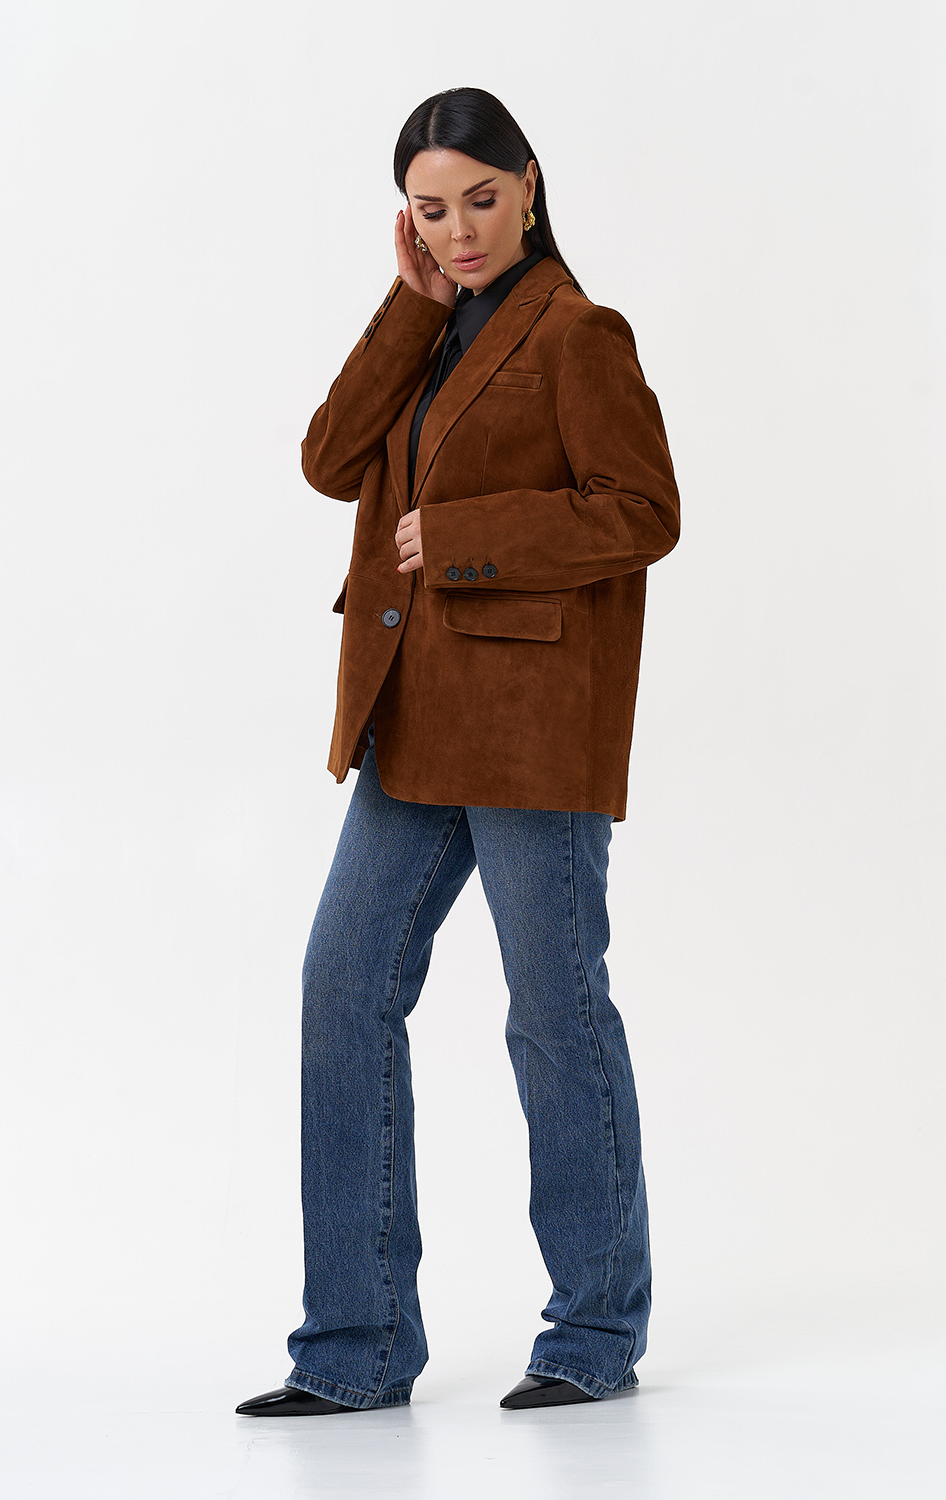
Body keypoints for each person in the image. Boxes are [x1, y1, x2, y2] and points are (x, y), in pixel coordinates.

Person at [236, 86, 681, 1417]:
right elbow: (330, 460)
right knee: (342, 988)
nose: (461, 230)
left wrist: (470, 537)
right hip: (413, 714)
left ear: (529, 184)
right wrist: (410, 306)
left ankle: (593, 1332)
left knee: (555, 1017)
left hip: (532, 724)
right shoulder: (433, 322)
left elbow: (642, 511)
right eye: (431, 210)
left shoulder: (580, 333)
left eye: (480, 200)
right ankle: (356, 1349)